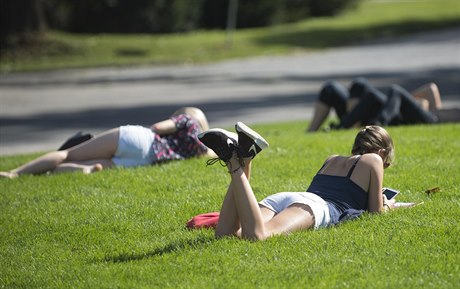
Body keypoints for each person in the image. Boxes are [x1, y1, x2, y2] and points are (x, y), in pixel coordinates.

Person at [198, 123, 397, 241]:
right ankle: (234, 161)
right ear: (382, 152)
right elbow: (375, 212)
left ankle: (245, 158)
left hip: (289, 198)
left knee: (227, 234)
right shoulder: (374, 159)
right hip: (316, 207)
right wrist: (387, 204)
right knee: (258, 236)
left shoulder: (332, 159)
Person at [0, 107, 212, 179]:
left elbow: (157, 128)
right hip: (146, 161)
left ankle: (15, 174)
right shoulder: (201, 150)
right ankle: (80, 170)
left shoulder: (187, 120)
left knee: (69, 153)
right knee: (89, 164)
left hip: (138, 140)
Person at [307, 77, 458, 132]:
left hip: (429, 119)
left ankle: (378, 123)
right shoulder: (433, 107)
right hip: (395, 111)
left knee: (394, 90)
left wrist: (404, 101)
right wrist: (405, 101)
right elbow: (431, 88)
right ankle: (316, 131)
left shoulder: (434, 115)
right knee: (333, 88)